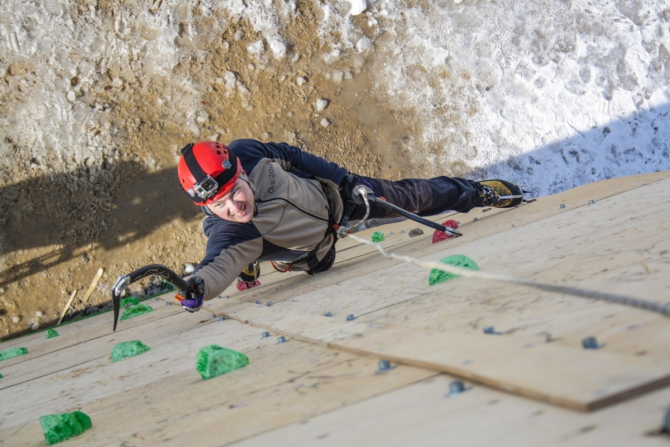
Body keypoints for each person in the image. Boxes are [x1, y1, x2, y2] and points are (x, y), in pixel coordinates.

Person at [175, 139, 523, 312]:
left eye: (236, 192)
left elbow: (292, 156)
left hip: (338, 197)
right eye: (219, 205)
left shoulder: (248, 154)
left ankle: (476, 192)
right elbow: (217, 264)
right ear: (205, 206)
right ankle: (251, 260)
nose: (235, 208)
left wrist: (346, 178)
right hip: (315, 250)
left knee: (410, 197)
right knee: (314, 265)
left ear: (240, 171)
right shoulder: (230, 231)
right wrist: (197, 289)